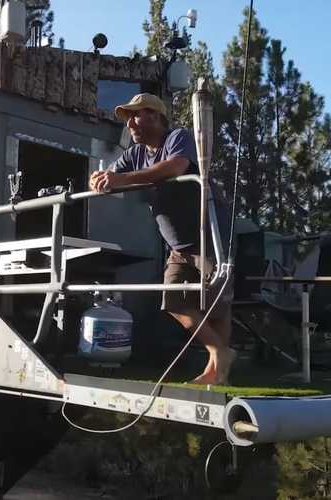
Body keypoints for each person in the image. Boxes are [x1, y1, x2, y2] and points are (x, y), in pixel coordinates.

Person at [88, 93, 235, 385]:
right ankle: (221, 352)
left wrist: (121, 180)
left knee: (217, 302)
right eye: (127, 117)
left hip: (208, 233)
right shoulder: (135, 153)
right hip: (177, 244)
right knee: (173, 302)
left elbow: (176, 167)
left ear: (155, 116)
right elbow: (112, 177)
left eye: (135, 115)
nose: (130, 123)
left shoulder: (177, 137)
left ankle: (217, 371)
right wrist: (100, 179)